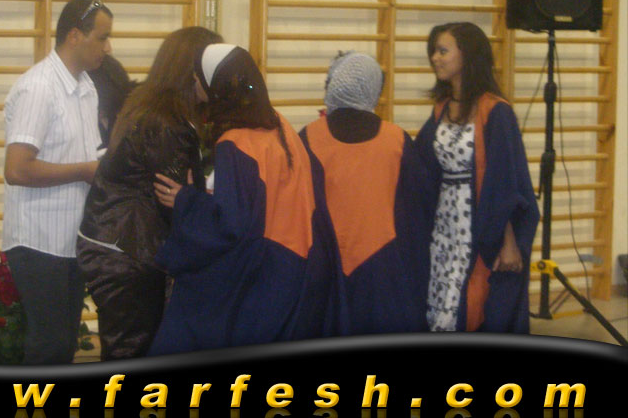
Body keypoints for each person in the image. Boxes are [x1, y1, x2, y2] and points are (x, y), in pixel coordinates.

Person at [150, 44, 332, 355]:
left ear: (215, 86)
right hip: (302, 266)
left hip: (264, 276)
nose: (195, 85)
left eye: (198, 79)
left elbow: (229, 226)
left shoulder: (235, 143)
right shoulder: (279, 124)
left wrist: (185, 200)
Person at [76, 26, 223, 360]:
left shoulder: (151, 105)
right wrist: (202, 204)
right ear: (193, 71)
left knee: (130, 346)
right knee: (132, 349)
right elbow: (174, 198)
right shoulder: (166, 122)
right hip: (127, 250)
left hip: (116, 243)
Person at [1, 0, 113, 364]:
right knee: (48, 346)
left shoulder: (87, 87)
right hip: (38, 240)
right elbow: (17, 169)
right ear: (75, 36)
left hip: (70, 238)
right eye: (102, 38)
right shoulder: (39, 87)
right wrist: (84, 170)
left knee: (62, 345)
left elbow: (85, 153)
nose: (108, 48)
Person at [415, 22, 539, 333]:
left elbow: (506, 183)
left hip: (481, 226)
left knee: (477, 304)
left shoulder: (495, 112)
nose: (435, 58)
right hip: (444, 227)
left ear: (467, 55)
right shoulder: (441, 109)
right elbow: (421, 165)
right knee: (442, 303)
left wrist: (508, 242)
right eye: (434, 51)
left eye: (443, 51)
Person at [300, 51, 433, 335]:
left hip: (322, 266)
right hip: (384, 269)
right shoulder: (396, 140)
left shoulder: (308, 137)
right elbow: (418, 211)